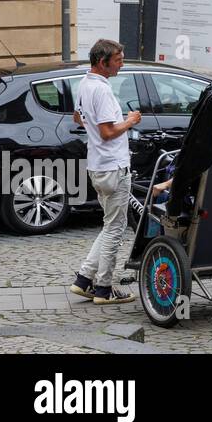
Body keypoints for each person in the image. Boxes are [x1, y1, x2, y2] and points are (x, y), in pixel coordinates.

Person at [69, 39, 142, 305]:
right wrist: (130, 121)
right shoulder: (101, 91)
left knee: (110, 225)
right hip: (112, 166)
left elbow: (77, 117)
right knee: (116, 228)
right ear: (103, 62)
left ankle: (84, 279)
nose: (121, 64)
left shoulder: (85, 85)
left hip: (98, 165)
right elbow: (108, 132)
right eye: (118, 60)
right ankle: (104, 289)